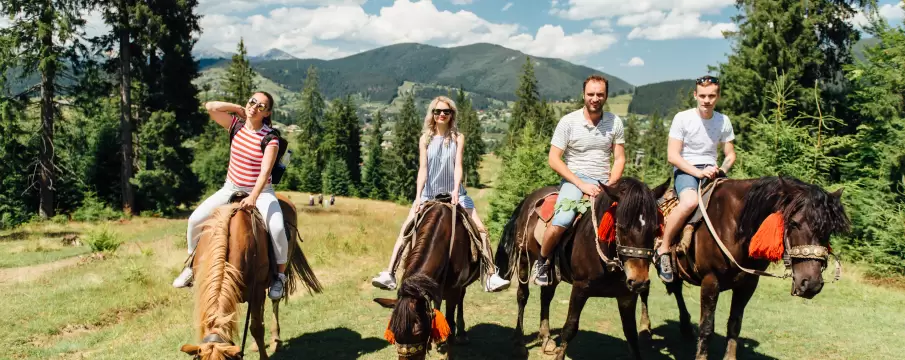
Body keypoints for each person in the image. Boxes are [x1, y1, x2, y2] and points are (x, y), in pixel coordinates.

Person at [371, 96, 511, 292]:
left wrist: (455, 190)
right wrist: (419, 196)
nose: (442, 115)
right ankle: (391, 273)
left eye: (446, 111)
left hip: (455, 194)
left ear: (452, 114)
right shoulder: (425, 139)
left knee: (480, 229)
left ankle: (490, 275)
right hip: (429, 194)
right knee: (406, 229)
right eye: (438, 111)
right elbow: (423, 170)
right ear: (432, 114)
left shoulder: (457, 138)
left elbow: (458, 166)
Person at [172, 91, 291, 300]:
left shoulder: (270, 138)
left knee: (278, 228)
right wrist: (238, 108)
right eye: (252, 101)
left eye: (261, 106)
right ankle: (192, 266)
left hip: (261, 192)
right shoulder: (235, 126)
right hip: (230, 188)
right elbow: (211, 107)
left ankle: (279, 277)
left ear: (267, 113)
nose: (254, 106)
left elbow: (265, 172)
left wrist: (253, 196)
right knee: (194, 220)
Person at [534, 74, 626, 286]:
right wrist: (580, 183)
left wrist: (611, 184)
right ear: (583, 95)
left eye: (600, 94)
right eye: (591, 94)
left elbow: (619, 158)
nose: (595, 98)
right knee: (563, 220)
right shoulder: (568, 122)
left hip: (605, 181)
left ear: (606, 96)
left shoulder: (615, 122)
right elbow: (554, 159)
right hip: (575, 180)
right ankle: (542, 261)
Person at [655, 75, 736, 283]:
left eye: (711, 96)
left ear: (717, 96)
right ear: (695, 95)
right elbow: (673, 156)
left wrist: (722, 169)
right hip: (686, 171)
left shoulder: (723, 121)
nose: (706, 100)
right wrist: (697, 172)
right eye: (702, 96)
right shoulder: (682, 118)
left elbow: (730, 154)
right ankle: (663, 250)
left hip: (713, 172)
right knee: (690, 202)